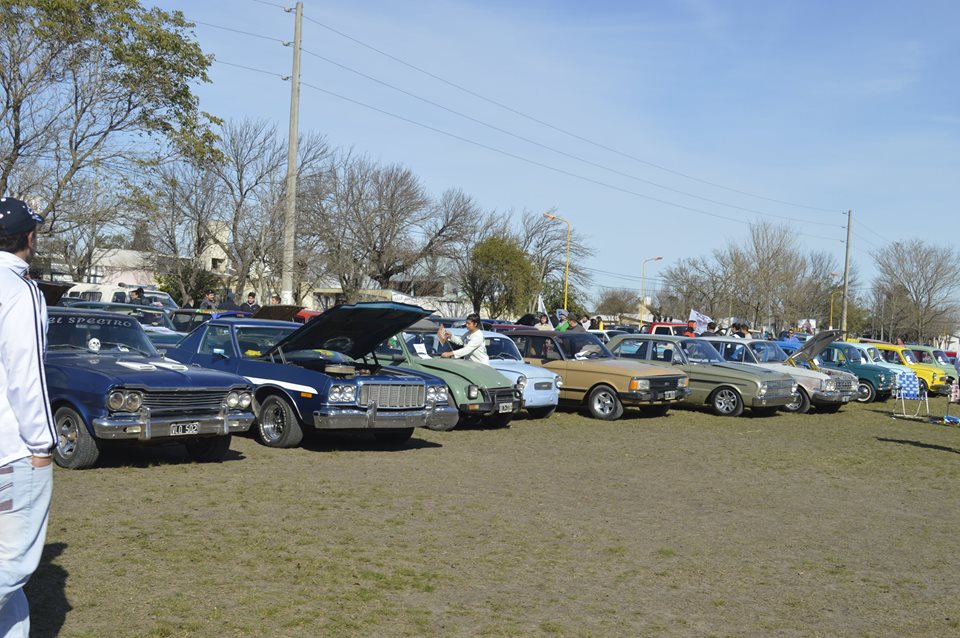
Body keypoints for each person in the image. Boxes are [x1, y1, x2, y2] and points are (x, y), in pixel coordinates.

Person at [0, 196, 57, 638]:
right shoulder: (19, 289)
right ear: (29, 238)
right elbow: (27, 373)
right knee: (13, 564)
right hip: (12, 448)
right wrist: (43, 445)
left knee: (12, 591)